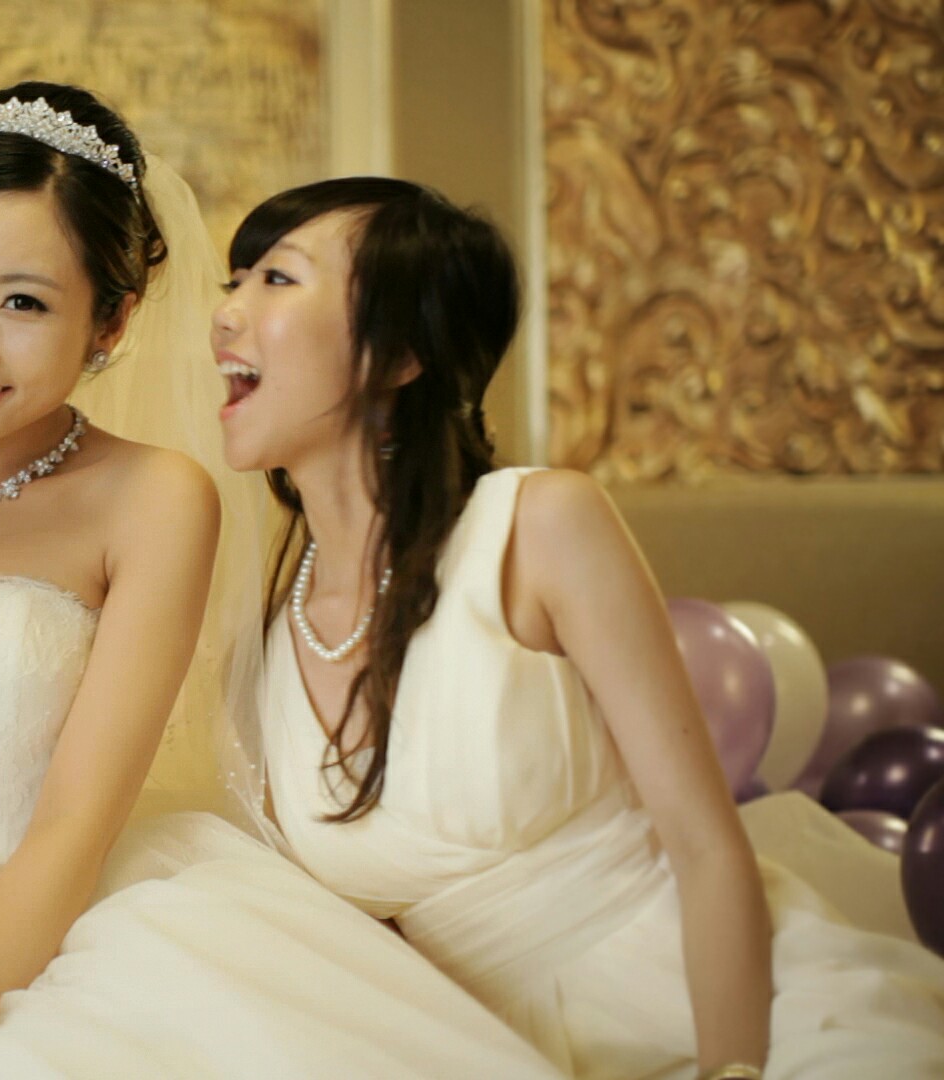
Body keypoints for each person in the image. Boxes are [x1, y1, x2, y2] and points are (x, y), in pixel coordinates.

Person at [0, 83, 564, 1079]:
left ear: (113, 320)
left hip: (62, 942)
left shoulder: (156, 499)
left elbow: (73, 823)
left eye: (23, 302)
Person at [216, 175, 944, 1079]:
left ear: (401, 353)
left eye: (277, 279)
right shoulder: (264, 637)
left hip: (710, 1006)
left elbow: (707, 848)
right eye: (233, 281)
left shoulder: (537, 525)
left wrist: (734, 1071)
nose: (227, 313)